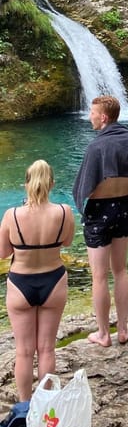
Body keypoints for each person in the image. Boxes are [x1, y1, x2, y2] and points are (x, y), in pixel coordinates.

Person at [73, 95, 128, 347]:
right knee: (120, 270)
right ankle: (123, 329)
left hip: (100, 211)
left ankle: (103, 334)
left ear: (104, 117)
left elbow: (86, 188)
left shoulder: (97, 147)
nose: (90, 117)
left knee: (99, 276)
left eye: (92, 113)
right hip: (125, 206)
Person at [0, 160, 75, 402]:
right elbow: (67, 242)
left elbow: (3, 252)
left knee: (23, 352)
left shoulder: (12, 215)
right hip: (53, 281)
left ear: (26, 184)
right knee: (47, 349)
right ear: (52, 184)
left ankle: (24, 406)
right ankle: (46, 405)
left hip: (21, 283)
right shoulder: (64, 212)